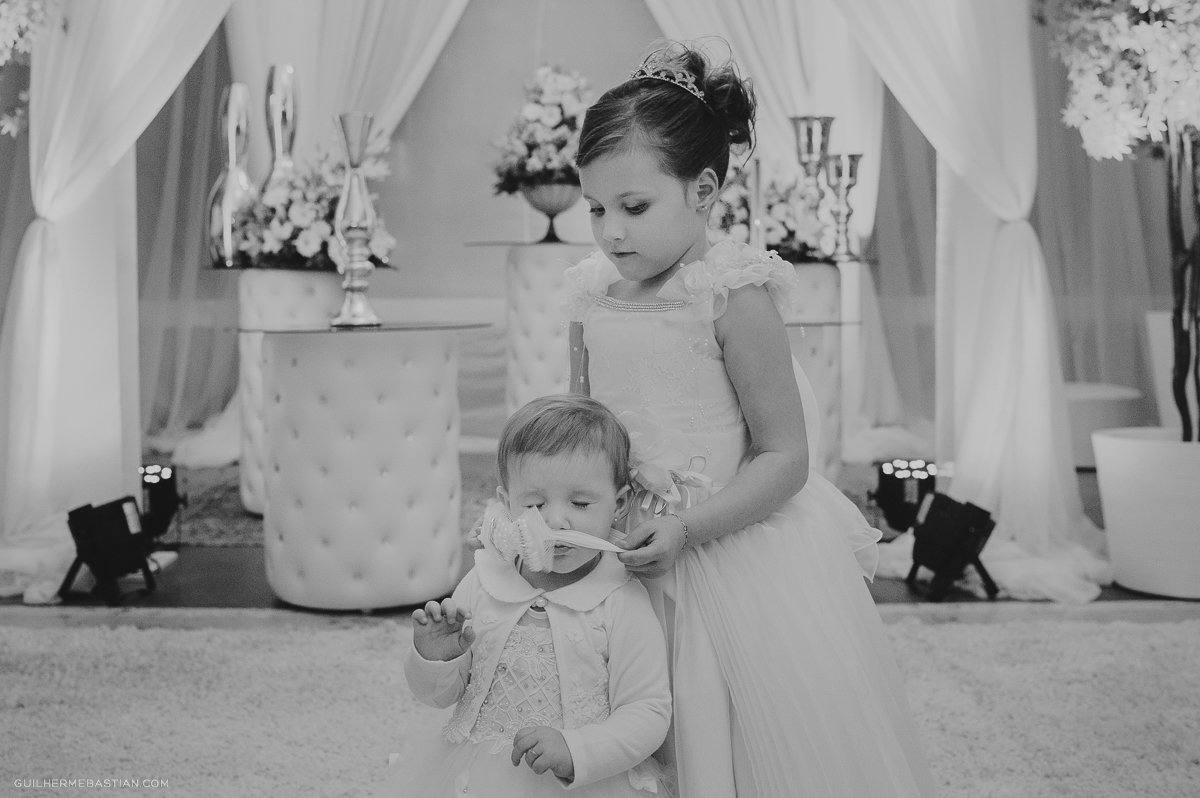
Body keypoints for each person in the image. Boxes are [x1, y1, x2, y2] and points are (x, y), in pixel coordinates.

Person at [565, 42, 939, 797]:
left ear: (703, 189)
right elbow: (579, 433)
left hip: (720, 547)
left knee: (717, 730)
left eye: (634, 208)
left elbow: (785, 457)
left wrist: (687, 529)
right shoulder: (590, 296)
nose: (611, 233)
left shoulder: (735, 296)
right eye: (596, 209)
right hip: (616, 545)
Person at [378, 394, 673, 798]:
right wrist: (434, 658)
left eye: (580, 503)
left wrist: (578, 750)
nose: (556, 520)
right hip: (474, 775)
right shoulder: (484, 580)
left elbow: (647, 711)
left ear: (619, 504)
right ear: (507, 504)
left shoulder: (620, 598)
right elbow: (440, 696)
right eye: (534, 503)